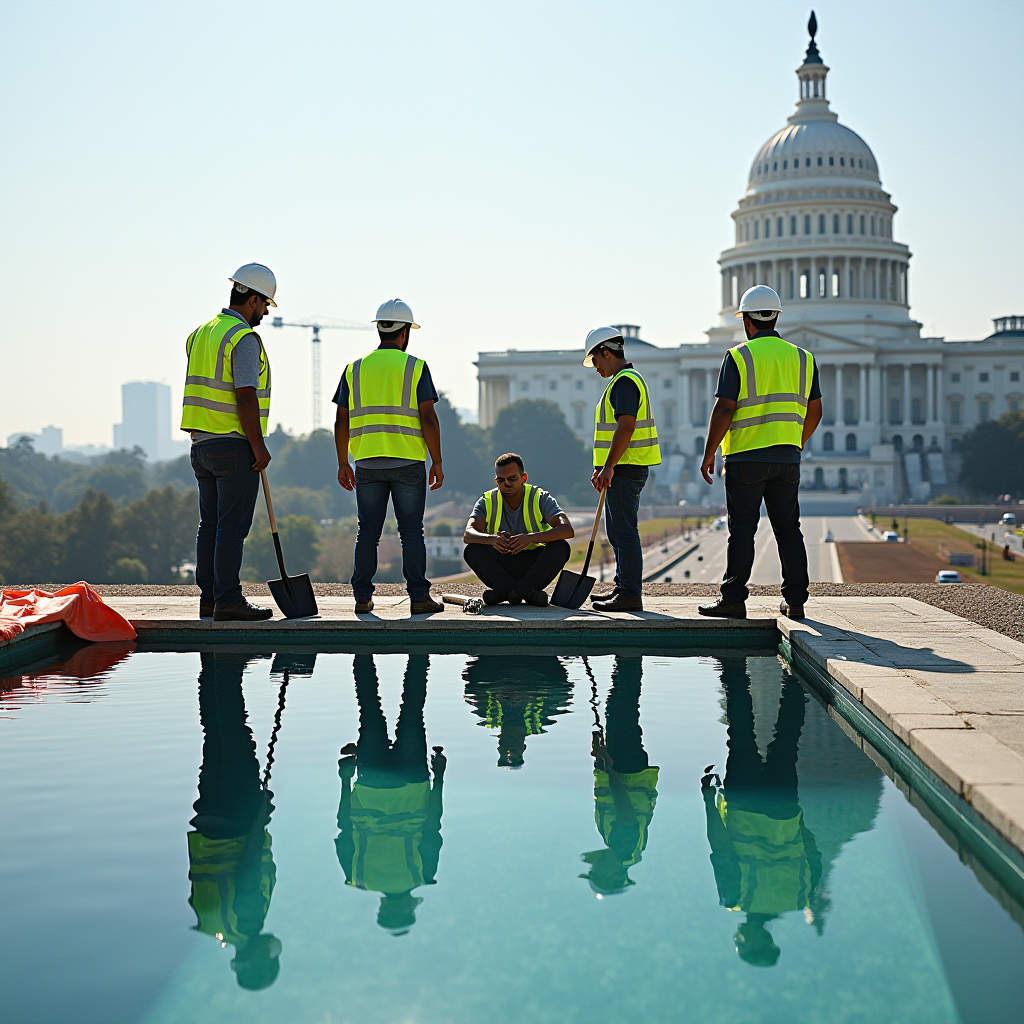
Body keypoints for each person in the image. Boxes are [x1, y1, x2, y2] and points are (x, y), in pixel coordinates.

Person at [697, 286, 822, 620]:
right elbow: (815, 411)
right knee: (789, 530)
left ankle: (734, 599)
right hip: (786, 458)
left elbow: (724, 409)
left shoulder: (738, 356)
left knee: (742, 531)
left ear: (747, 321)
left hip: (745, 457)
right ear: (776, 317)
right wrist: (797, 440)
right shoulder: (803, 358)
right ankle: (795, 601)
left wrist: (709, 452)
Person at [700, 656, 821, 968]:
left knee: (787, 739)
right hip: (744, 802)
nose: (737, 939)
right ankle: (735, 667)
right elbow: (720, 847)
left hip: (783, 807)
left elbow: (811, 849)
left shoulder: (801, 896)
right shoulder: (735, 900)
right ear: (753, 941)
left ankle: (793, 677)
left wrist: (796, 814)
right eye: (742, 944)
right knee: (741, 733)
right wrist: (707, 800)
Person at [334, 299, 445, 615]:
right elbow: (429, 418)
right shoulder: (416, 367)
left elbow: (341, 420)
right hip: (408, 462)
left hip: (367, 462)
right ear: (406, 331)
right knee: (411, 532)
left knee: (367, 531)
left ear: (379, 328)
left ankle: (362, 597)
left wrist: (343, 462)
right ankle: (419, 598)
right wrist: (437, 460)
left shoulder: (353, 369)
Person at [180, 264, 278, 621]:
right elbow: (245, 395)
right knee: (232, 528)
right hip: (233, 446)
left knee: (211, 525)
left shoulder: (201, 333)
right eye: (264, 304)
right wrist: (258, 446)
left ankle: (209, 598)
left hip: (201, 446)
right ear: (251, 298)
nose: (265, 311)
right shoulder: (243, 338)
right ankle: (228, 600)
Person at [187, 652, 282, 989]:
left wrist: (260, 814)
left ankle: (226, 662)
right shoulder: (213, 927)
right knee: (214, 735)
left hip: (237, 820)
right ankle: (213, 661)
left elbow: (250, 868)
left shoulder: (249, 920)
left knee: (234, 731)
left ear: (258, 957)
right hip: (207, 819)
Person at [336, 654, 445, 935]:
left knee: (412, 710)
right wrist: (345, 780)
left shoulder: (423, 875)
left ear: (407, 906)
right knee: (369, 709)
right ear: (382, 906)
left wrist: (440, 778)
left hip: (411, 780)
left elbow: (433, 824)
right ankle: (362, 649)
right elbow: (344, 825)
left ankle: (418, 649)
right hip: (371, 780)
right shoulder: (355, 877)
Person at [583, 327, 661, 613]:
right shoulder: (624, 380)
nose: (595, 368)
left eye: (595, 361)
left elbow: (626, 427)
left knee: (625, 532)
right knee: (617, 532)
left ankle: (630, 593)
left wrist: (609, 466)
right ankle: (623, 588)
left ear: (606, 353)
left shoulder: (624, 382)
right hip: (622, 468)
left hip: (625, 469)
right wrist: (604, 466)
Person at [579, 656, 659, 896]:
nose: (594, 864)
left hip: (624, 770)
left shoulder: (622, 851)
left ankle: (627, 662)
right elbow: (625, 812)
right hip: (626, 772)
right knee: (621, 708)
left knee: (620, 709)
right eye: (596, 870)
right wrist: (610, 767)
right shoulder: (623, 849)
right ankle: (629, 660)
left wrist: (600, 761)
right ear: (610, 872)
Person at [462, 453, 574, 606]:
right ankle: (527, 593)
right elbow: (468, 534)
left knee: (561, 547)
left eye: (512, 479)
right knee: (472, 550)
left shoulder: (540, 497)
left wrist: (530, 538)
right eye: (501, 480)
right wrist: (492, 540)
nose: (506, 485)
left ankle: (506, 593)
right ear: (496, 481)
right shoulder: (487, 500)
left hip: (533, 565)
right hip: (502, 565)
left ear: (524, 478)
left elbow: (567, 529)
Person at [462, 655, 574, 768]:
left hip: (498, 662)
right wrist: (530, 690)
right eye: (513, 750)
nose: (508, 747)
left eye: (503, 749)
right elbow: (564, 691)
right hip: (536, 663)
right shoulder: (541, 720)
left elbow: (471, 687)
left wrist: (498, 688)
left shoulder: (487, 715)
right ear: (523, 747)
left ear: (499, 744)